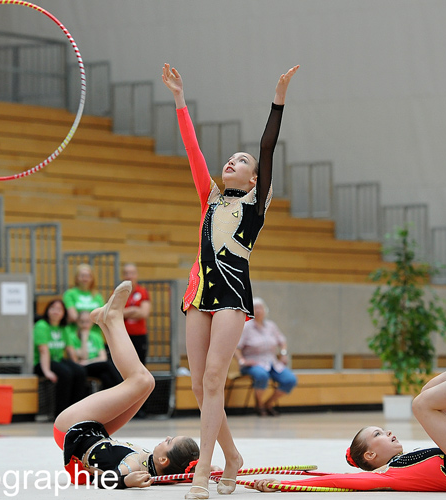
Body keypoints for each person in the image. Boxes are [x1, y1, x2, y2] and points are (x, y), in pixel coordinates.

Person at [162, 62, 299, 499]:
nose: (231, 162)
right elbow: (193, 151)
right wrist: (180, 99)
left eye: (241, 161)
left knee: (214, 378)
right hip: (199, 292)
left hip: (232, 295)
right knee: (198, 384)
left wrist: (278, 100)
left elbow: (267, 146)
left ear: (254, 178)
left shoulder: (256, 205)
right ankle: (233, 456)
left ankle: (205, 471)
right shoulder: (209, 198)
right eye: (230, 158)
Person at [248, 325, 446, 493]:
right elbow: (339, 480)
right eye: (378, 434)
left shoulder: (401, 462)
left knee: (428, 393)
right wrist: (285, 486)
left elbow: (331, 475)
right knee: (421, 405)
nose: (388, 432)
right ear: (371, 455)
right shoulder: (387, 476)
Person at [54, 281, 200, 488]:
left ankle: (113, 319)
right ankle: (105, 322)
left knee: (142, 381)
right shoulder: (155, 467)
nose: (167, 436)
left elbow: (105, 480)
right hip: (94, 433)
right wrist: (197, 470)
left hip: (74, 429)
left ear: (163, 460)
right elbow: (175, 472)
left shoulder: (133, 467)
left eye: (170, 441)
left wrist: (125, 481)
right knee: (148, 384)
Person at [234, 297, 297, 416]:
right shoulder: (245, 327)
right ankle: (259, 405)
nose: (258, 311)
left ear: (265, 310)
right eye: (255, 308)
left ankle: (268, 403)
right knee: (262, 375)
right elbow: (236, 347)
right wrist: (242, 361)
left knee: (290, 380)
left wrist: (283, 354)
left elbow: (282, 341)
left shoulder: (271, 326)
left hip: (272, 362)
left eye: (260, 308)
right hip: (253, 363)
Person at [33, 299, 89, 417]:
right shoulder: (41, 325)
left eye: (59, 309)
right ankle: (61, 414)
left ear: (64, 313)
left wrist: (76, 365)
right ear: (47, 310)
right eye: (53, 308)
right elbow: (43, 351)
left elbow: (70, 350)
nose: (56, 311)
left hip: (57, 360)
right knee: (66, 373)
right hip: (42, 363)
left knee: (80, 372)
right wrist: (47, 371)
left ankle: (77, 412)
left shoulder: (64, 328)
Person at [72, 311, 123, 390]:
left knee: (105, 376)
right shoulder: (72, 337)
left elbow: (103, 358)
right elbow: (84, 356)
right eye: (82, 322)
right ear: (77, 322)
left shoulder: (96, 336)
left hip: (93, 365)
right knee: (108, 365)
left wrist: (88, 362)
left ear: (91, 323)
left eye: (87, 322)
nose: (85, 325)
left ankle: (112, 395)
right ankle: (123, 386)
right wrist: (84, 339)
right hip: (81, 368)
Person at [122, 263, 151, 365]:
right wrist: (133, 310)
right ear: (123, 276)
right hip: (122, 336)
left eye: (132, 273)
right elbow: (115, 313)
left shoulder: (142, 292)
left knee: (140, 365)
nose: (129, 276)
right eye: (126, 273)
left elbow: (144, 313)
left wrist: (125, 312)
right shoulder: (118, 293)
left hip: (139, 335)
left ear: (136, 275)